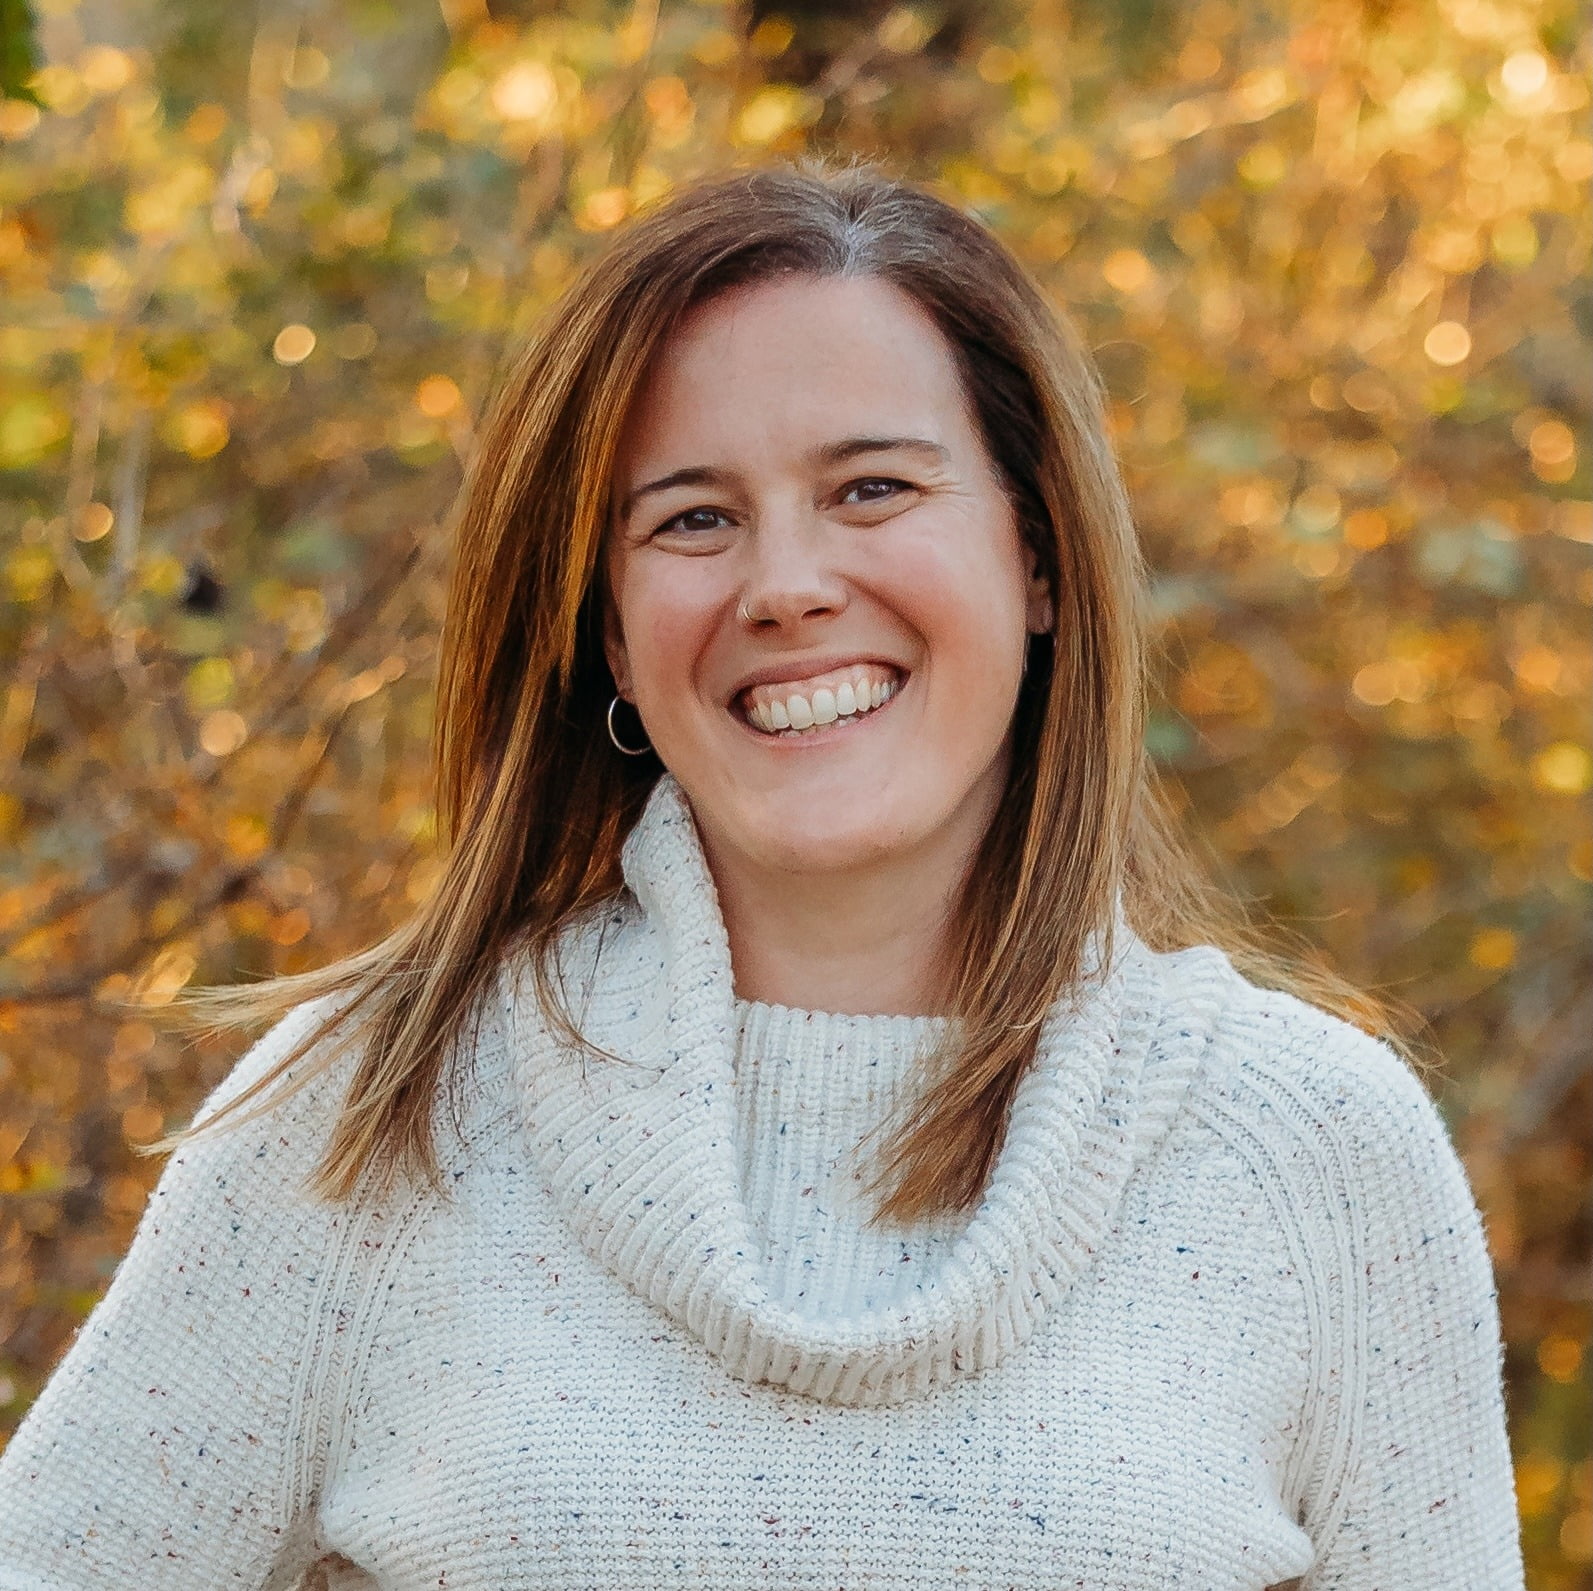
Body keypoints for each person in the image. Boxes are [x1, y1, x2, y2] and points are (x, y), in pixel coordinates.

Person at [0, 162, 1524, 1589]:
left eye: (872, 490)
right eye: (693, 519)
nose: (786, 586)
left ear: (1041, 560)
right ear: (607, 627)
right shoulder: (368, 1116)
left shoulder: (1312, 1149)